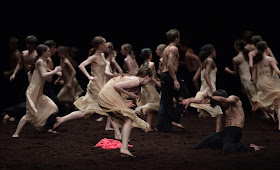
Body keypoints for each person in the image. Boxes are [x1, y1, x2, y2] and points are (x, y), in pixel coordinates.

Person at [53, 36, 120, 139]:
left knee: (86, 111)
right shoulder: (94, 57)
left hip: (101, 85)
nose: (106, 45)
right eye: (105, 43)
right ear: (100, 45)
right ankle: (118, 135)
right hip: (95, 86)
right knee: (111, 107)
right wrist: (89, 77)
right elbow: (81, 65)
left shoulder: (102, 55)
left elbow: (102, 71)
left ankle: (61, 119)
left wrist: (111, 75)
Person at [179, 89, 265, 152]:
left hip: (235, 131)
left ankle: (252, 148)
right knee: (199, 146)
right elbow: (202, 100)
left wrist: (212, 97)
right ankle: (226, 143)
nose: (221, 105)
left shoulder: (234, 99)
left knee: (227, 149)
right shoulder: (220, 102)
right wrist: (189, 100)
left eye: (221, 103)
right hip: (225, 132)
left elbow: (225, 100)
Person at [98, 66, 153, 157]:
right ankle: (124, 148)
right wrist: (129, 94)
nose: (148, 82)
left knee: (127, 119)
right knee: (129, 118)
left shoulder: (133, 79)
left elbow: (116, 87)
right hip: (107, 95)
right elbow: (116, 86)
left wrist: (123, 100)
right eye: (149, 79)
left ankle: (124, 147)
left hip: (106, 94)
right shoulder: (136, 81)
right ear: (147, 76)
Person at [12, 44, 62, 137]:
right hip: (34, 92)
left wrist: (54, 72)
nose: (49, 52)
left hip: (39, 92)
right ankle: (16, 133)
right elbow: (43, 75)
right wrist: (55, 71)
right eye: (47, 51)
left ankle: (40, 126)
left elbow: (34, 73)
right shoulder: (40, 62)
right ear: (43, 52)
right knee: (29, 114)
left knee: (52, 106)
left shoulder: (40, 62)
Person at [155, 28, 190, 132]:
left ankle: (161, 126)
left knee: (166, 100)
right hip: (170, 75)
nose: (180, 39)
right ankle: (174, 118)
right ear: (176, 38)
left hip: (166, 75)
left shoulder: (166, 48)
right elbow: (170, 64)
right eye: (179, 37)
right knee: (185, 96)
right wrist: (175, 80)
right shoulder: (173, 49)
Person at [190, 44, 223, 132]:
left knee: (218, 112)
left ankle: (217, 132)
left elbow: (194, 79)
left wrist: (200, 90)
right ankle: (218, 133)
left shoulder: (202, 63)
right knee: (219, 112)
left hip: (203, 90)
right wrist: (212, 88)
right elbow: (206, 74)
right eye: (215, 50)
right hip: (209, 91)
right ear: (212, 51)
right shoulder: (210, 60)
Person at [251, 41, 280, 130]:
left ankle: (260, 106)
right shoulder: (270, 59)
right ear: (266, 48)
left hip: (260, 83)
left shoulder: (256, 60)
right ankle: (279, 126)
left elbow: (253, 77)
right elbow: (277, 71)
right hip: (268, 82)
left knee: (274, 102)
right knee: (278, 103)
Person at [225, 39, 258, 111]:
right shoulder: (247, 55)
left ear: (237, 46)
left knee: (254, 100)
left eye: (234, 46)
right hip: (252, 77)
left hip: (245, 80)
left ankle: (269, 114)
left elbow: (235, 73)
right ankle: (268, 114)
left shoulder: (236, 59)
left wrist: (228, 71)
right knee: (255, 97)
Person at [135, 48, 161, 131]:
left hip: (144, 87)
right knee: (155, 104)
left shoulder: (142, 65)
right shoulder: (151, 64)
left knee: (152, 108)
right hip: (150, 87)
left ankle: (148, 126)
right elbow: (150, 77)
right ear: (150, 54)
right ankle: (144, 110)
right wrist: (157, 83)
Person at [55, 46, 84, 113]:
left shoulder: (66, 61)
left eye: (59, 53)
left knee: (60, 97)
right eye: (58, 53)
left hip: (71, 81)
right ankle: (73, 109)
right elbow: (63, 71)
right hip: (67, 81)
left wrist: (70, 82)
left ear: (64, 53)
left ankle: (76, 107)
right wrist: (58, 79)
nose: (58, 55)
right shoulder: (62, 60)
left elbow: (74, 72)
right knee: (68, 96)